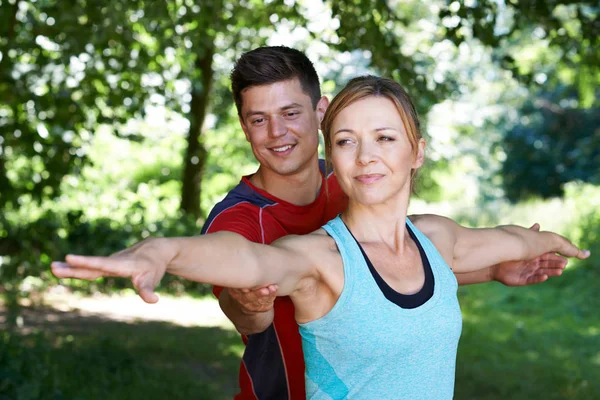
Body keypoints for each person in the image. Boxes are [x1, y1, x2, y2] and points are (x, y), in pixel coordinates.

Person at [51, 75, 590, 399]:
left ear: (416, 151)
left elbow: (505, 239)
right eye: (347, 140)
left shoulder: (437, 239)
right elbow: (248, 260)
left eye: (385, 137)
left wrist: (553, 244)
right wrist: (161, 251)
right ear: (332, 153)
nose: (367, 155)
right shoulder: (318, 258)